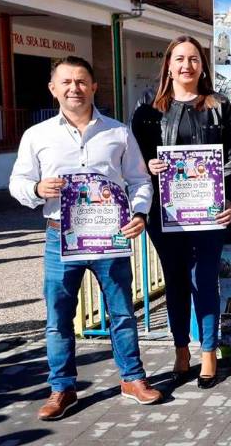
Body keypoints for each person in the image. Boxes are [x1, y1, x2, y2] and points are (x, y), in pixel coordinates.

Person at [9, 56, 160, 420]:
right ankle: (62, 388)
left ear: (94, 87)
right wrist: (37, 188)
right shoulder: (37, 135)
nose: (74, 88)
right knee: (58, 318)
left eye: (81, 81)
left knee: (122, 312)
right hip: (60, 238)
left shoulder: (118, 133)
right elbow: (17, 183)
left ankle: (132, 379)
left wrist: (140, 213)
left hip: (110, 238)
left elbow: (139, 180)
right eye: (66, 82)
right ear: (53, 89)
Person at [132, 36, 231, 389]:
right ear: (168, 65)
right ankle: (181, 350)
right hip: (166, 215)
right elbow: (133, 163)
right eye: (179, 59)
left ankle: (208, 352)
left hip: (208, 214)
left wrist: (229, 200)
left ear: (202, 66)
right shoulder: (147, 109)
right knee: (176, 282)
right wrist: (149, 166)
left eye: (193, 59)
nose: (186, 65)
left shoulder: (219, 106)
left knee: (205, 280)